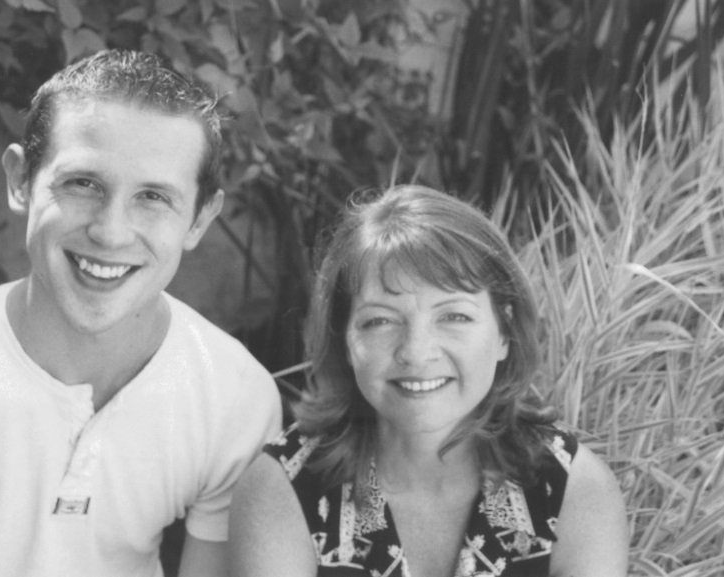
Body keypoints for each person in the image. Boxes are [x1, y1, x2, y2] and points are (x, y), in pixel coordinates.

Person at [0, 49, 282, 577]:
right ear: (20, 179)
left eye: (153, 197)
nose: (110, 232)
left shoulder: (233, 394)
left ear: (200, 219)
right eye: (84, 184)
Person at [229, 185, 629, 577]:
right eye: (380, 321)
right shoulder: (282, 489)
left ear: (504, 333)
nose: (417, 352)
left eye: (454, 316)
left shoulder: (573, 489)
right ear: (344, 340)